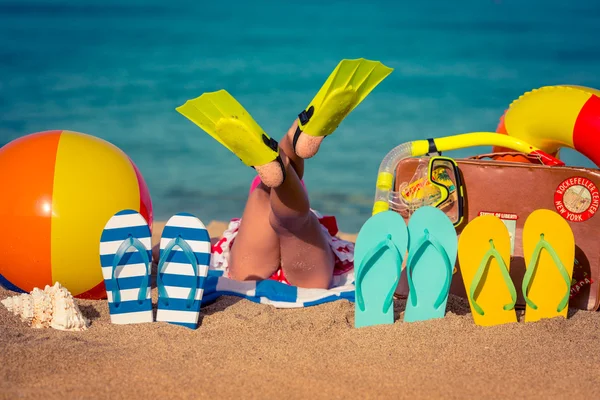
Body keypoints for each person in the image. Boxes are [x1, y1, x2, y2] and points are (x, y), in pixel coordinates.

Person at [176, 59, 392, 288]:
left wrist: (157, 251)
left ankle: (276, 163)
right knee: (294, 221)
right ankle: (291, 141)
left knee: (264, 195)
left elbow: (187, 246)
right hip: (308, 258)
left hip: (251, 265)